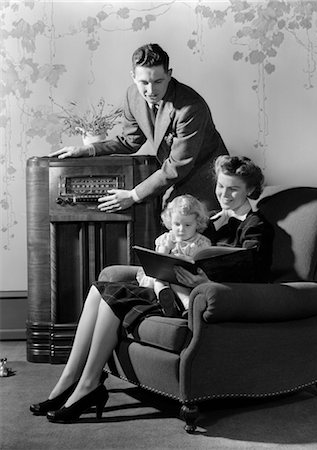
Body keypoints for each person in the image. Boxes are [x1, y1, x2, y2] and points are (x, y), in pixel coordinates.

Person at [30, 155, 273, 423]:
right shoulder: (212, 219)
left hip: (198, 297)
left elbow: (254, 273)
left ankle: (88, 386)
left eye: (233, 189)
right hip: (175, 286)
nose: (224, 194)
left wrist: (205, 282)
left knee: (113, 296)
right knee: (101, 289)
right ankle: (69, 381)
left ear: (249, 190)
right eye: (220, 187)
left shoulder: (257, 226)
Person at [48, 43, 228, 211]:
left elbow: (178, 165)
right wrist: (87, 150)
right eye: (144, 82)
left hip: (208, 182)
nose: (151, 90)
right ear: (133, 77)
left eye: (158, 81)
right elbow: (130, 141)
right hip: (175, 179)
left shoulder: (191, 107)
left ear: (169, 74)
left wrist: (133, 196)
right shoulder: (132, 96)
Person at [136, 194, 211, 317]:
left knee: (176, 282)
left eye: (187, 225)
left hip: (184, 278)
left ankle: (186, 306)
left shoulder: (201, 242)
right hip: (163, 275)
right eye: (177, 224)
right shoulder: (166, 238)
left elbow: (201, 262)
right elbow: (158, 259)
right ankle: (164, 299)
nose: (181, 229)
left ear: (197, 223)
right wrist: (166, 247)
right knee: (159, 280)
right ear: (170, 221)